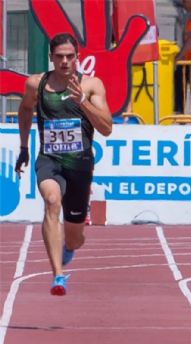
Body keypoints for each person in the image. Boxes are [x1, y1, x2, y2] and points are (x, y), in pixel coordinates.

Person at [14, 33, 112, 296]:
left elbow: (107, 128)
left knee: (75, 238)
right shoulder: (36, 84)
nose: (65, 62)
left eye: (70, 56)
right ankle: (58, 275)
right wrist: (24, 147)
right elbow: (24, 110)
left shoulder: (91, 85)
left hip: (79, 165)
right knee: (51, 200)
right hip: (50, 159)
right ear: (51, 58)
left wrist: (82, 102)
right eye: (60, 57)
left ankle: (68, 247)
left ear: (77, 58)